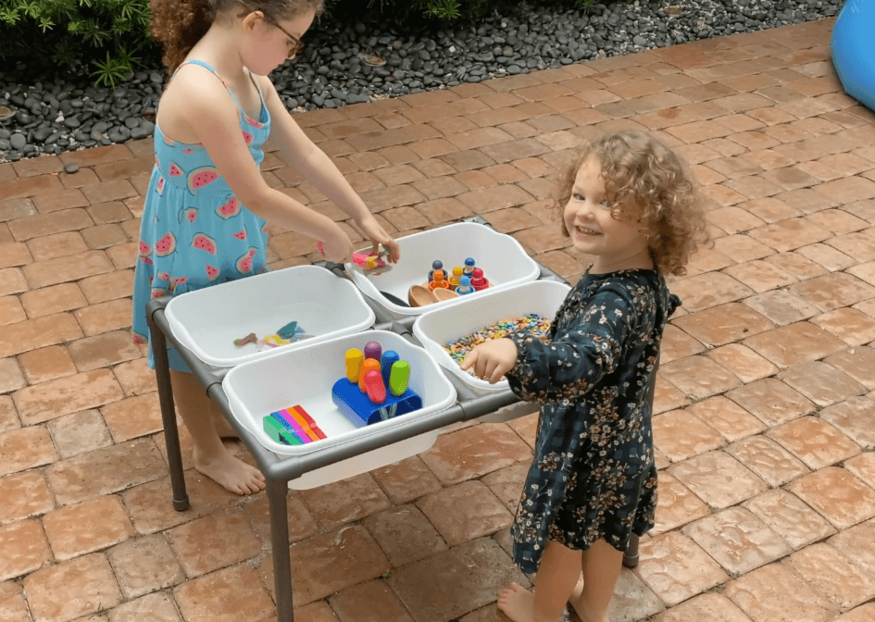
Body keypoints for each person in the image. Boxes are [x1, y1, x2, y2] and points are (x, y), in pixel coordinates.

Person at [132, 0, 400, 496]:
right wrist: (329, 231)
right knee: (187, 347)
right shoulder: (201, 90)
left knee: (232, 321)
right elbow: (254, 192)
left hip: (231, 229)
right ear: (255, 22)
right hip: (190, 236)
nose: (291, 53)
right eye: (291, 41)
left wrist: (361, 214)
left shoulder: (253, 82)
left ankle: (216, 418)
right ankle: (206, 451)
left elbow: (306, 153)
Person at [460, 130, 708, 622]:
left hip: (585, 450)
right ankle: (593, 607)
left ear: (652, 220)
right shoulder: (639, 275)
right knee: (607, 531)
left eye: (609, 203)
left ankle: (543, 612)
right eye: (579, 195)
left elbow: (579, 361)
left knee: (563, 540)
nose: (584, 211)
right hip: (626, 444)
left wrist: (518, 349)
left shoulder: (613, 302)